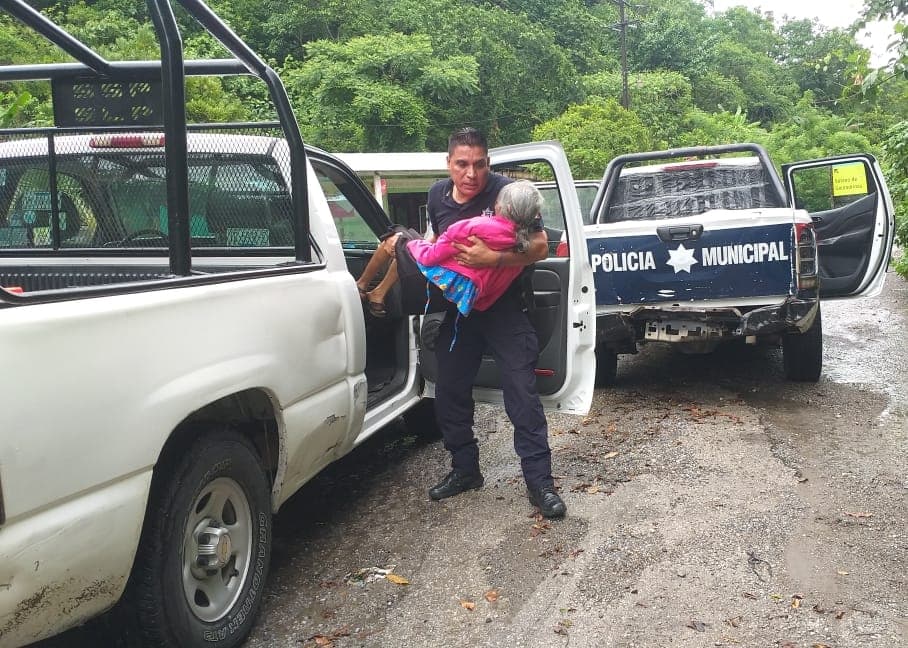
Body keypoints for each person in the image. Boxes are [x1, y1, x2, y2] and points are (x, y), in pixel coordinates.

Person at [423, 127, 566, 519]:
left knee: (522, 394)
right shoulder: (436, 196)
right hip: (460, 311)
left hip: (505, 308)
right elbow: (435, 242)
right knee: (450, 391)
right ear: (448, 163)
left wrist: (495, 259)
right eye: (462, 164)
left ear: (488, 162)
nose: (471, 174)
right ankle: (465, 469)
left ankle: (540, 484)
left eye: (479, 164)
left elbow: (540, 246)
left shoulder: (509, 192)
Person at [355, 180, 543, 322]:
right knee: (408, 240)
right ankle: (378, 293)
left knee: (396, 238)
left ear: (504, 207)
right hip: (472, 294)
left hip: (445, 279)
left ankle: (361, 285)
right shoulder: (519, 248)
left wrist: (417, 247)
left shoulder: (479, 225)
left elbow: (435, 252)